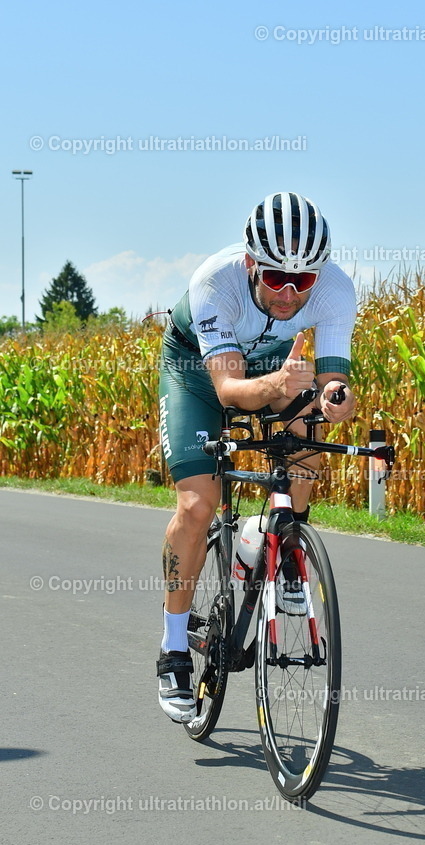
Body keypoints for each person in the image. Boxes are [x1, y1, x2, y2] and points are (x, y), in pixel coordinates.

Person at [156, 191, 357, 722]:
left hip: (272, 365)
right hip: (198, 371)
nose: (290, 294)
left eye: (304, 281)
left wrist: (336, 398)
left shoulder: (336, 290)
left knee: (308, 439)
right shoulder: (214, 282)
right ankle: (174, 648)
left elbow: (337, 377)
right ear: (251, 264)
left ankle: (282, 547)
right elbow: (227, 389)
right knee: (199, 505)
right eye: (276, 280)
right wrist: (275, 383)